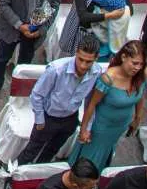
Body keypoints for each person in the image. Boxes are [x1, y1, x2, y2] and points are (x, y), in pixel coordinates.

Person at [18, 34, 104, 164]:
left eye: (88, 62)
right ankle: (15, 173)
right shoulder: (56, 69)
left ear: (96, 58)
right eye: (80, 59)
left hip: (70, 119)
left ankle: (38, 170)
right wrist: (40, 119)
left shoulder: (96, 72)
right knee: (31, 151)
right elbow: (37, 95)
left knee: (52, 150)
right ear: (76, 53)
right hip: (48, 118)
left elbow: (90, 101)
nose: (83, 65)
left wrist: (87, 126)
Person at [69, 40, 147, 171]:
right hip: (101, 127)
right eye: (134, 63)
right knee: (90, 158)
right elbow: (91, 105)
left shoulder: (142, 74)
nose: (138, 67)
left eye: (141, 64)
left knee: (107, 151)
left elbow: (140, 96)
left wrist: (137, 119)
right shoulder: (108, 78)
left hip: (120, 126)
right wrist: (84, 130)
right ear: (123, 57)